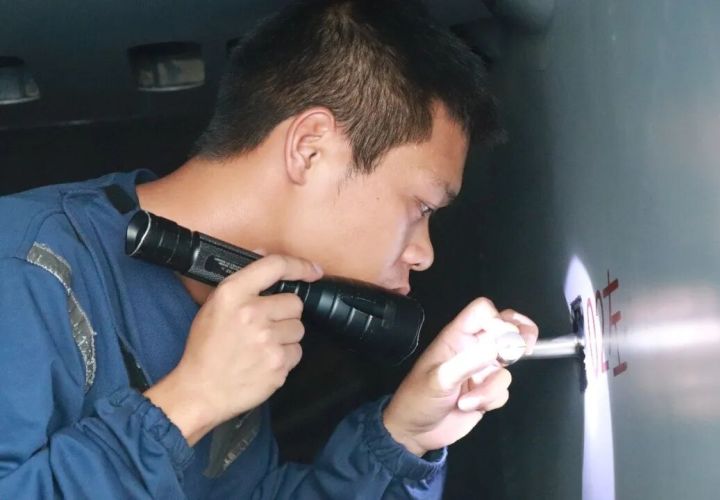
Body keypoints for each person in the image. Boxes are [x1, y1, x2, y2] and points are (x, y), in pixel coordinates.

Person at [0, 0, 538, 497]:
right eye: (421, 207)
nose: (424, 253)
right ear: (310, 149)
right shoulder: (27, 266)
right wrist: (190, 401)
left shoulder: (246, 316)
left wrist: (406, 436)